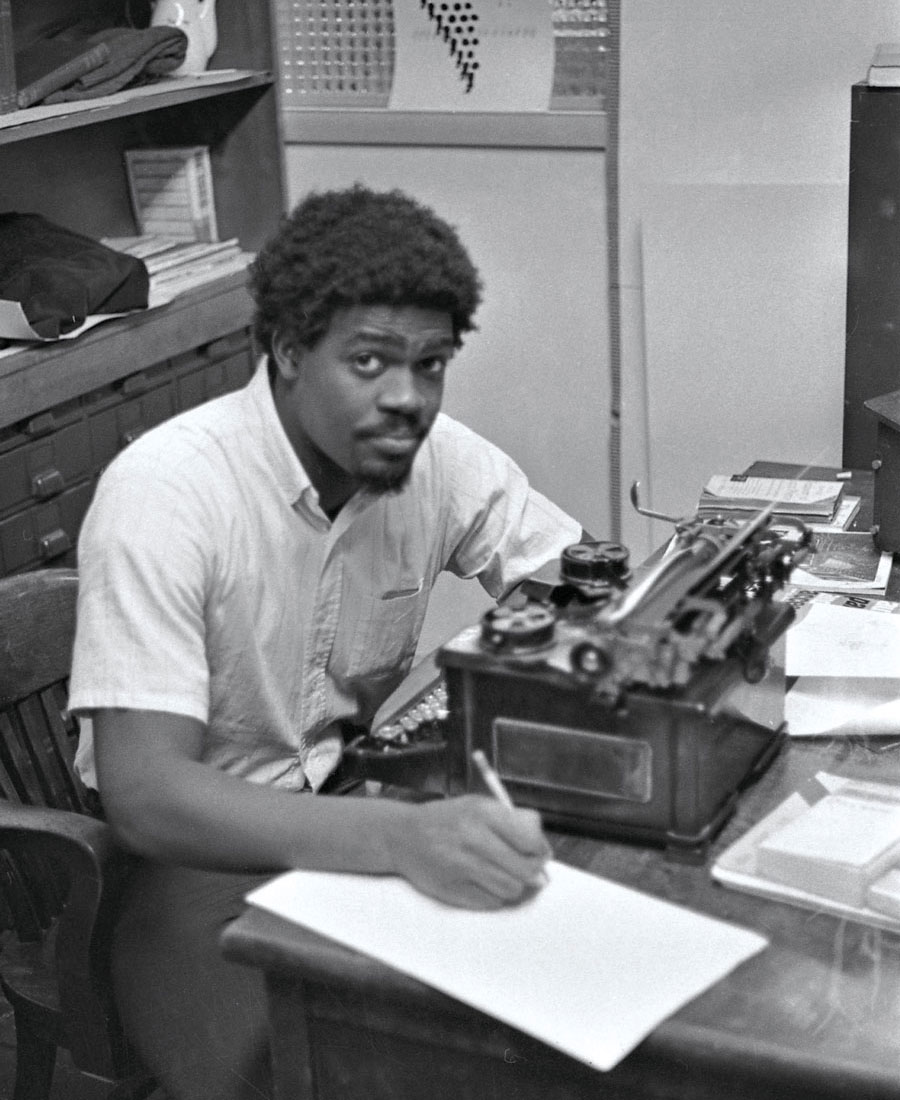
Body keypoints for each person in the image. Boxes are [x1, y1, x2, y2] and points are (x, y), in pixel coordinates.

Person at [68, 184, 586, 1100]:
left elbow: (573, 579)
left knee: (541, 1040)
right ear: (290, 350)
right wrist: (400, 838)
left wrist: (587, 633)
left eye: (430, 365)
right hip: (197, 873)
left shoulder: (435, 457)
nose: (407, 399)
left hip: (351, 807)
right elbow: (146, 796)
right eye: (371, 361)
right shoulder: (168, 493)